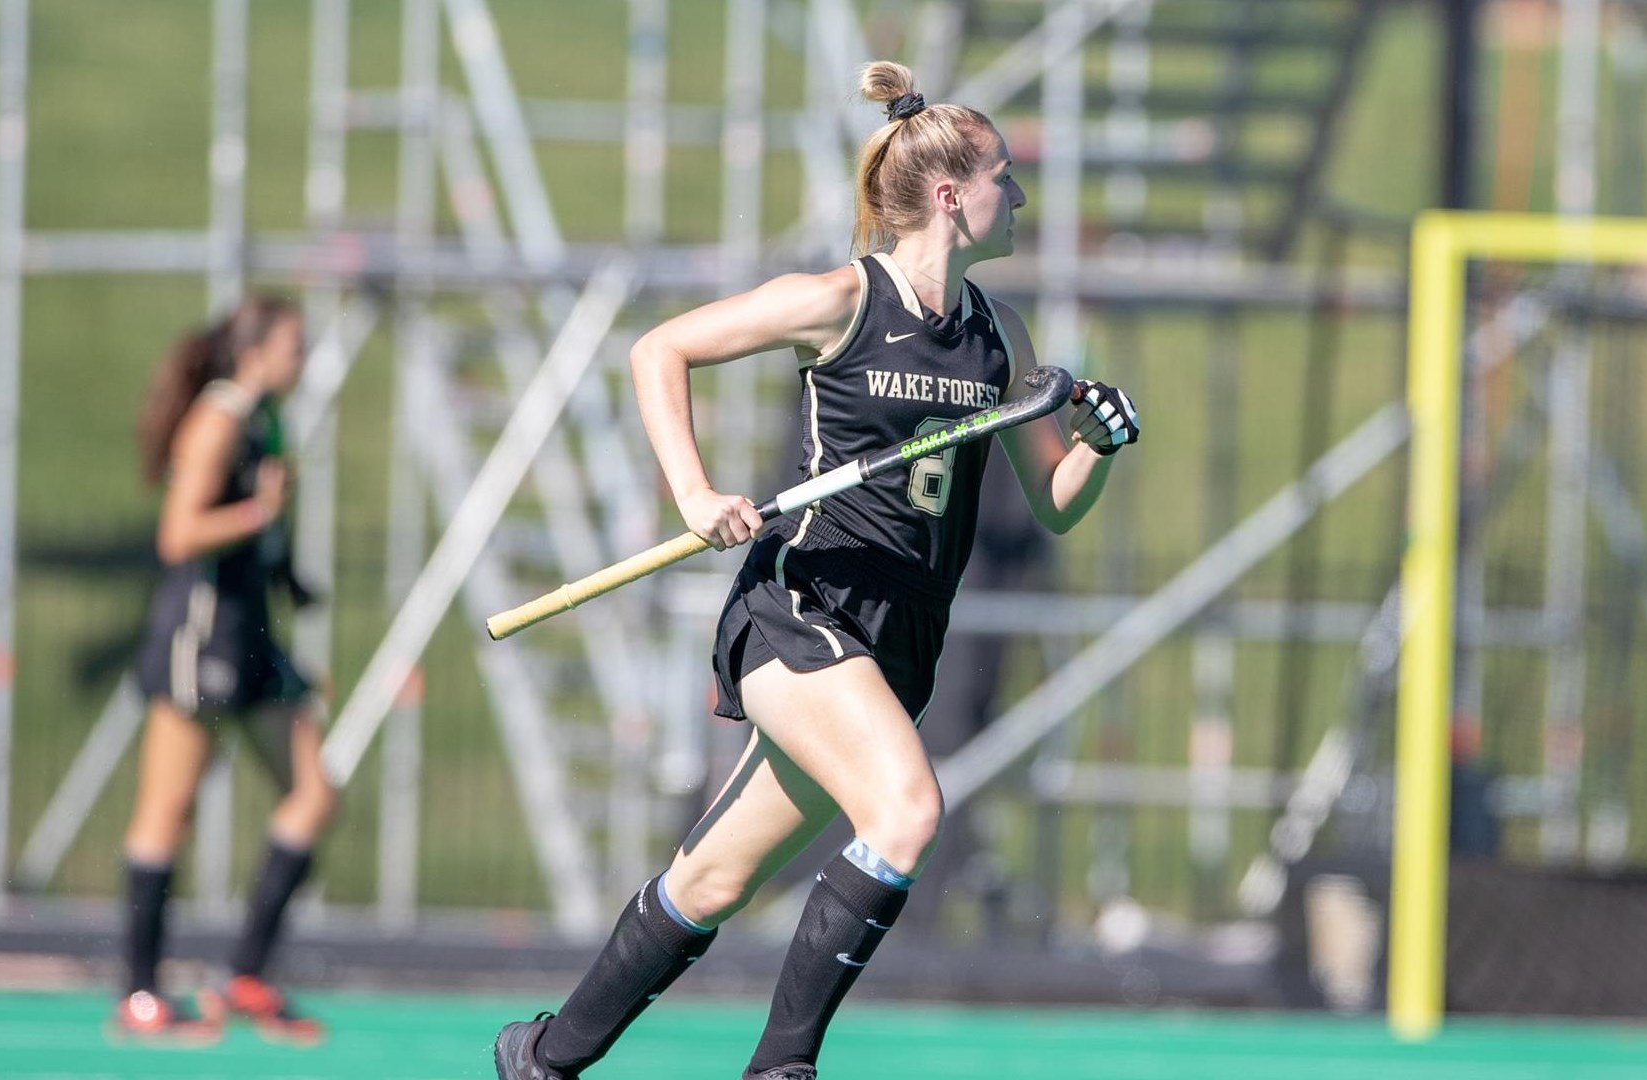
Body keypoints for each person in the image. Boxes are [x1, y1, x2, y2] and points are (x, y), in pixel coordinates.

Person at [492, 61, 1142, 1080]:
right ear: (947, 195)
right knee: (907, 812)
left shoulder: (995, 336)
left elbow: (1056, 504)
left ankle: (540, 1057)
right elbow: (659, 351)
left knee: (709, 881)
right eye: (1003, 179)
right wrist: (696, 495)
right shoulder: (840, 301)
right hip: (802, 610)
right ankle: (782, 1066)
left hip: (898, 644)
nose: (1016, 197)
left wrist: (1098, 446)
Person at [115, 294, 337, 1045]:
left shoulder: (264, 419)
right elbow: (180, 536)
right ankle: (139, 993)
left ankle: (244, 976)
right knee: (167, 813)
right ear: (256, 351)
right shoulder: (217, 420)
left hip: (253, 641)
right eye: (294, 346)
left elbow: (260, 533)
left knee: (313, 794)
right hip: (199, 640)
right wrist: (256, 516)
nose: (301, 360)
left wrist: (290, 577)